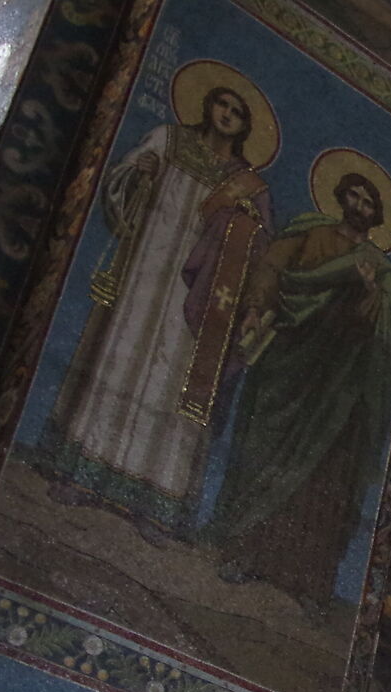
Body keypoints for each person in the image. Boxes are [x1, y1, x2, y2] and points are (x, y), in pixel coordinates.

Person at [46, 81, 273, 536]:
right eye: (221, 103)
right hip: (146, 272)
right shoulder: (167, 140)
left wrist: (244, 229)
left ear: (246, 126)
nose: (227, 114)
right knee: (122, 356)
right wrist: (140, 174)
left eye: (237, 111)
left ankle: (153, 502)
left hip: (200, 298)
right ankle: (84, 475)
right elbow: (122, 181)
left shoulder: (250, 186)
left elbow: (262, 253)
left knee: (175, 383)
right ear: (207, 104)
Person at [207, 169, 391, 611]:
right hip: (289, 362)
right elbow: (272, 270)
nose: (359, 206)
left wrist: (371, 294)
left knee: (324, 477)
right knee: (264, 452)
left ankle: (307, 581)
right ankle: (241, 550)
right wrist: (255, 307)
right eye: (353, 196)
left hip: (337, 384)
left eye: (368, 202)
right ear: (340, 197)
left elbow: (390, 331)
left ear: (376, 215)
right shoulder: (309, 233)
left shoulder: (382, 268)